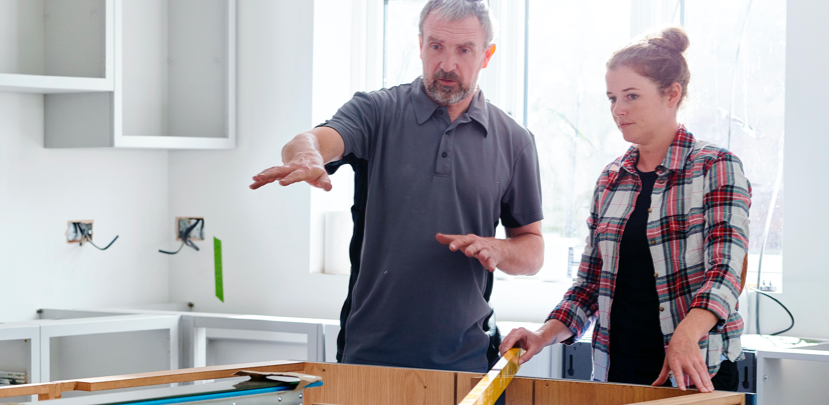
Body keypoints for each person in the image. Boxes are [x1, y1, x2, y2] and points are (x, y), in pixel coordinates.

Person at [249, 0, 544, 373]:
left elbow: (532, 251)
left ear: (486, 56)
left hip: (468, 361)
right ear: (420, 45)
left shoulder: (514, 140)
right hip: (370, 356)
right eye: (436, 46)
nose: (447, 64)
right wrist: (306, 156)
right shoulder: (376, 111)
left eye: (464, 50)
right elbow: (313, 139)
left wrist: (497, 248)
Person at [499, 27, 750, 392]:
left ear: (672, 94)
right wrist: (542, 335)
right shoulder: (611, 180)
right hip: (616, 373)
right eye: (612, 98)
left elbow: (726, 272)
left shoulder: (716, 167)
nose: (619, 109)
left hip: (695, 372)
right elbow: (588, 286)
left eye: (631, 96)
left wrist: (686, 334)